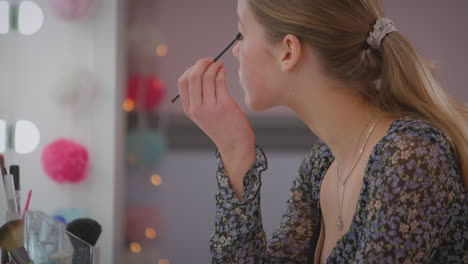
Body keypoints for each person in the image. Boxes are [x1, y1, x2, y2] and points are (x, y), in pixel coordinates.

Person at [177, 0, 468, 263]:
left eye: (241, 34)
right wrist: (235, 153)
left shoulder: (410, 158)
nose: (236, 52)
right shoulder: (324, 162)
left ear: (288, 52)